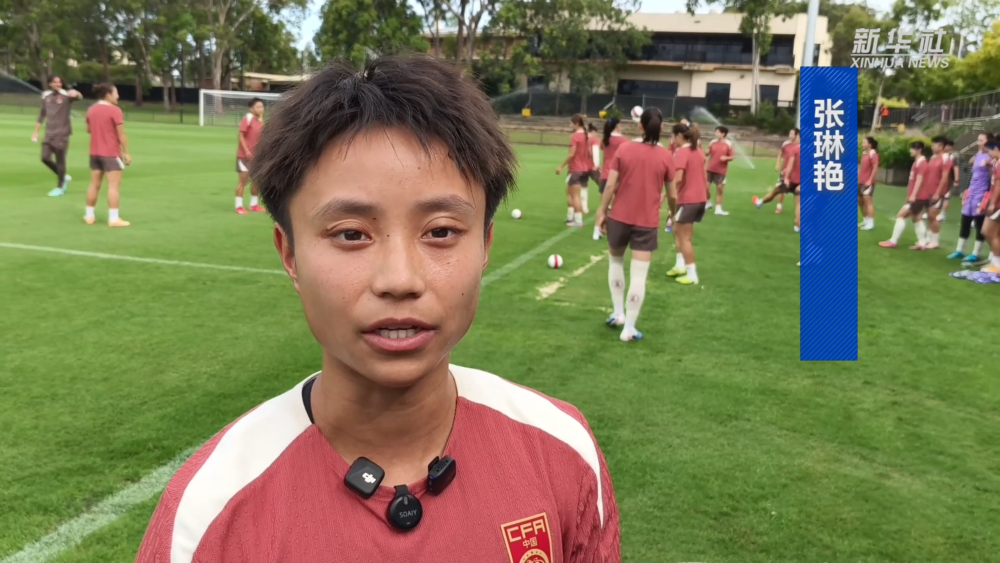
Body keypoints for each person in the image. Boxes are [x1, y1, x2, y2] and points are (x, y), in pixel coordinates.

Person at [135, 55, 620, 563]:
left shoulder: (562, 450)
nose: (399, 280)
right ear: (290, 254)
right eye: (351, 234)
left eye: (441, 231)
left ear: (485, 245)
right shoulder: (205, 518)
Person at [595, 107, 674, 342]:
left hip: (619, 216)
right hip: (646, 222)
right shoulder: (666, 156)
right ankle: (628, 327)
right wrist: (673, 212)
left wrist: (602, 210)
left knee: (615, 263)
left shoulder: (624, 149)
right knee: (639, 275)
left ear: (639, 125)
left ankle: (618, 313)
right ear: (661, 127)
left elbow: (610, 185)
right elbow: (673, 194)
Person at [667, 123, 708, 285]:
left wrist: (665, 195)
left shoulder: (681, 152)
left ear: (678, 135)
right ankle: (680, 265)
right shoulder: (698, 151)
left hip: (688, 199)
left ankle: (691, 274)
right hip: (699, 198)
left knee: (683, 237)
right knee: (678, 230)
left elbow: (677, 179)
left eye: (673, 136)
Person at [84, 84, 131, 227]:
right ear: (108, 95)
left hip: (94, 153)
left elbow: (89, 130)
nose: (118, 96)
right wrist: (126, 152)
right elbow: (121, 134)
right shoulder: (115, 110)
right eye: (116, 93)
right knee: (113, 186)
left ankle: (89, 216)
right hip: (110, 153)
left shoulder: (91, 109)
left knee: (94, 185)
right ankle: (113, 218)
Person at [31, 75, 82, 197]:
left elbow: (79, 97)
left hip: (62, 134)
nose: (58, 84)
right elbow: (42, 114)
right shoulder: (45, 96)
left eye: (59, 82)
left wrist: (77, 94)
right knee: (45, 158)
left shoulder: (66, 95)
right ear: (50, 83)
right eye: (55, 82)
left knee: (60, 161)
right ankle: (63, 176)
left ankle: (60, 187)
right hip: (49, 133)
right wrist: (36, 131)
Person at [948, 132, 992, 263]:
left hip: (981, 193)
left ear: (988, 142)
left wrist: (989, 164)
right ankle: (960, 250)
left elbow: (993, 177)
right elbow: (972, 167)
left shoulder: (991, 157)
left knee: (979, 224)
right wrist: (967, 190)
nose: (978, 143)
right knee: (965, 220)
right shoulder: (978, 155)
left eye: (981, 140)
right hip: (972, 192)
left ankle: (976, 253)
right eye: (978, 140)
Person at [880, 141, 929, 249]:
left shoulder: (922, 163)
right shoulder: (918, 162)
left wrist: (913, 195)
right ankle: (922, 243)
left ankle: (893, 241)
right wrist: (910, 195)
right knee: (916, 218)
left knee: (901, 215)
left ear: (919, 150)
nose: (910, 151)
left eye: (912, 149)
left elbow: (919, 180)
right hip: (918, 196)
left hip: (919, 197)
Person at [752, 128, 800, 229]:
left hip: (789, 178)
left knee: (776, 192)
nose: (790, 135)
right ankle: (797, 226)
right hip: (796, 179)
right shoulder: (789, 145)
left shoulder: (796, 149)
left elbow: (791, 164)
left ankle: (762, 202)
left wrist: (786, 176)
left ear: (798, 136)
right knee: (780, 193)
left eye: (793, 134)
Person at [594, 116, 628, 241]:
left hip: (604, 175)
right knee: (615, 206)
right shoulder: (623, 140)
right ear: (617, 126)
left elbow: (602, 151)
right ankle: (610, 229)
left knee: (602, 205)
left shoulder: (605, 139)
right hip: (617, 176)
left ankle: (597, 230)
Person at [556, 114, 592, 227]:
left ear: (577, 124)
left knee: (574, 195)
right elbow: (589, 153)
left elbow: (571, 154)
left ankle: (578, 220)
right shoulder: (586, 135)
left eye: (571, 124)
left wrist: (561, 166)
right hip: (583, 169)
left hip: (575, 169)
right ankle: (570, 218)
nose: (570, 126)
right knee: (569, 192)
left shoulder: (575, 136)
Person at [235, 97, 266, 214]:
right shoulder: (247, 119)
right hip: (244, 157)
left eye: (262, 106)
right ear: (251, 109)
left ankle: (254, 205)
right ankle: (238, 206)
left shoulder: (260, 122)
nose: (261, 109)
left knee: (256, 181)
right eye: (258, 107)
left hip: (256, 157)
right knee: (243, 181)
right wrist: (246, 151)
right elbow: (241, 136)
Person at [923, 136, 953, 250]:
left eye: (934, 145)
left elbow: (944, 178)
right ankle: (928, 238)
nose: (932, 147)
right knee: (929, 215)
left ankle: (935, 241)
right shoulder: (933, 158)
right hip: (928, 191)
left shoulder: (945, 159)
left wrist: (938, 193)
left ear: (941, 146)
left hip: (937, 192)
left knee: (933, 215)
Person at [979, 141, 1000, 274]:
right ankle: (994, 261)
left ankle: (997, 264)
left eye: (989, 151)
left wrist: (992, 203)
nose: (988, 154)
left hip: (998, 204)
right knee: (993, 234)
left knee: (989, 232)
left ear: (996, 149)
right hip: (996, 202)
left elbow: (998, 185)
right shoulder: (996, 163)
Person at [705, 126, 734, 216]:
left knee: (719, 189)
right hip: (710, 169)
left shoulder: (728, 144)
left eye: (717, 132)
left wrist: (726, 158)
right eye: (716, 132)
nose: (716, 134)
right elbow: (707, 152)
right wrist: (707, 152)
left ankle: (718, 209)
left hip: (721, 170)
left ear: (723, 134)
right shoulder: (712, 142)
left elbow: (732, 156)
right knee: (705, 188)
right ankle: (708, 202)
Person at [858, 136, 879, 231]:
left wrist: (870, 180)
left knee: (867, 201)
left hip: (868, 182)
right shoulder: (864, 153)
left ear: (870, 144)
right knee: (860, 201)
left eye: (864, 142)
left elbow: (875, 167)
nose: (862, 144)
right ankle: (866, 220)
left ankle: (871, 223)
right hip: (860, 181)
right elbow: (862, 168)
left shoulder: (873, 154)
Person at [939, 139, 959, 222]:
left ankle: (943, 214)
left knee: (946, 197)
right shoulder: (940, 155)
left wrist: (956, 180)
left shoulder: (953, 157)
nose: (946, 147)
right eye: (945, 145)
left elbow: (956, 168)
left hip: (948, 181)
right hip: (938, 180)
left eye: (949, 146)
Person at [585, 122, 601, 215]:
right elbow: (595, 152)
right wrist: (597, 164)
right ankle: (607, 204)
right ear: (594, 132)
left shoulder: (584, 139)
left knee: (584, 186)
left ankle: (584, 208)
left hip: (582, 166)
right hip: (592, 166)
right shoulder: (594, 140)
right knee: (603, 185)